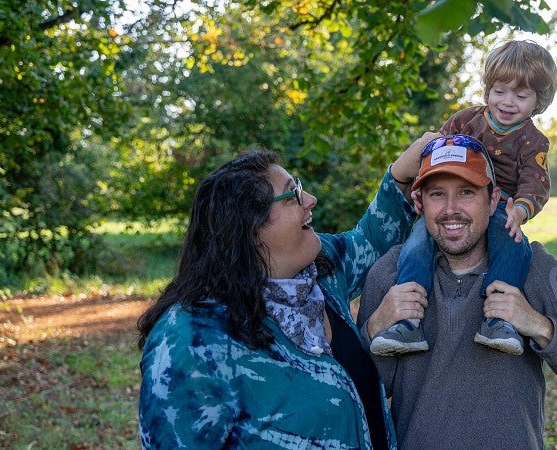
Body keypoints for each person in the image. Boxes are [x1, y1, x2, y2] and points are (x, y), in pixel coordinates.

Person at [137, 132, 437, 449]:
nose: (310, 199)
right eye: (292, 194)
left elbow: (372, 238)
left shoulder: (321, 270)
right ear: (249, 229)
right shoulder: (191, 341)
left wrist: (401, 174)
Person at [357, 135, 557, 449]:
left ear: (494, 200)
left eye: (466, 192)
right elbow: (359, 396)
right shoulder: (390, 273)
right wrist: (374, 328)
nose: (451, 209)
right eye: (437, 194)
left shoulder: (536, 268)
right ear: (420, 202)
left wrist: (538, 325)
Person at [370, 40, 557, 357]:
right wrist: (419, 188)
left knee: (513, 244)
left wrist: (522, 211)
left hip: (501, 204)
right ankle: (408, 322)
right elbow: (433, 157)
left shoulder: (533, 141)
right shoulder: (465, 121)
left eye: (521, 95)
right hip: (452, 190)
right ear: (487, 88)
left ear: (539, 100)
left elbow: (535, 181)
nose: (508, 102)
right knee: (418, 239)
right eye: (500, 91)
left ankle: (499, 319)